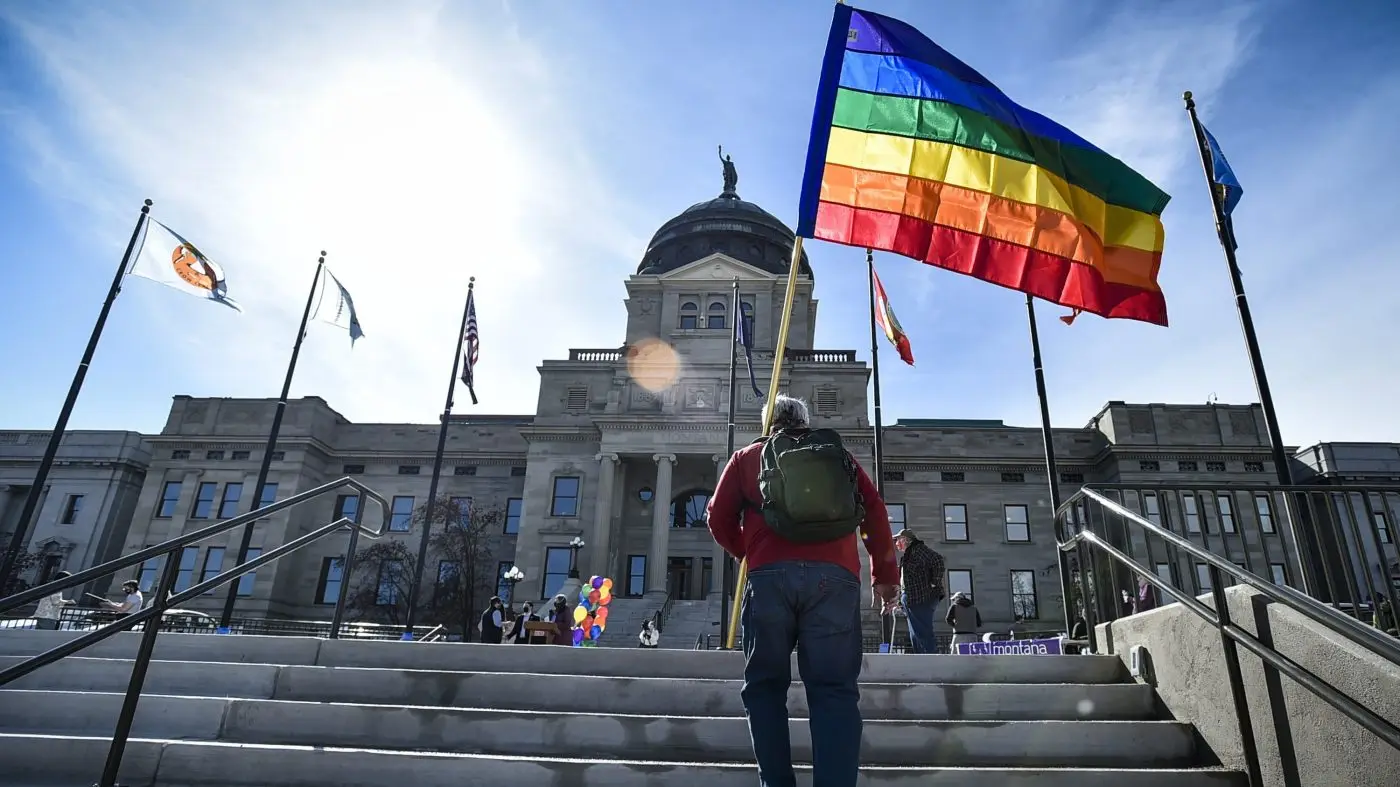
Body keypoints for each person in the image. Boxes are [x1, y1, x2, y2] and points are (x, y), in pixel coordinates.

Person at [707, 393, 899, 787]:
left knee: (765, 687)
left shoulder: (747, 457)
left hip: (770, 578)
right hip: (836, 578)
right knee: (834, 691)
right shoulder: (839, 456)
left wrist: (749, 553)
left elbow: (717, 516)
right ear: (804, 421)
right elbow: (875, 510)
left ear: (769, 422)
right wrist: (884, 575)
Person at [893, 529, 945, 654]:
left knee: (922, 632)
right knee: (915, 633)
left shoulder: (918, 550)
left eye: (898, 540)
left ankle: (929, 661)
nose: (896, 543)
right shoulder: (909, 553)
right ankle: (922, 659)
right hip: (913, 598)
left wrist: (934, 583)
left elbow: (938, 560)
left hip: (921, 597)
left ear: (906, 540)